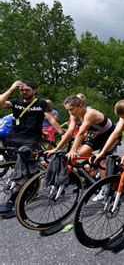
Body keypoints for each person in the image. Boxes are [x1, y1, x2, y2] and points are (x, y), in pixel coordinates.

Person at [0, 80, 64, 213]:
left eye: (27, 90)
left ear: (34, 90)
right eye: (22, 90)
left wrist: (61, 133)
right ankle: (31, 184)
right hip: (13, 138)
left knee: (22, 166)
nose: (24, 92)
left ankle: (12, 201)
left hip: (30, 140)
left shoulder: (41, 104)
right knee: (21, 167)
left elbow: (51, 119)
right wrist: (11, 88)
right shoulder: (16, 102)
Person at [45, 95, 118, 200]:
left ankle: (104, 189)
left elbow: (81, 133)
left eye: (71, 109)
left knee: (102, 161)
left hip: (112, 134)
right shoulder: (74, 115)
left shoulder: (90, 113)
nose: (70, 113)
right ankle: (97, 166)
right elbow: (69, 132)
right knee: (82, 153)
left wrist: (73, 150)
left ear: (81, 106)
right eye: (68, 110)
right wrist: (56, 148)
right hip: (100, 136)